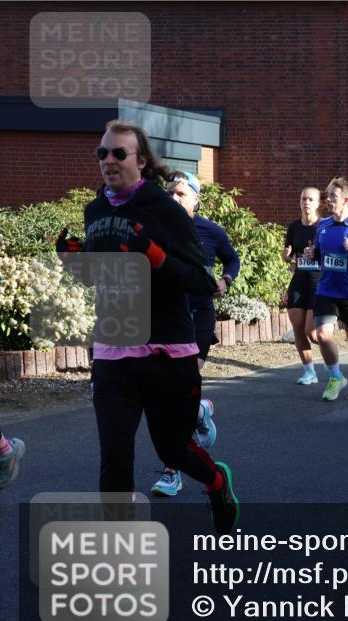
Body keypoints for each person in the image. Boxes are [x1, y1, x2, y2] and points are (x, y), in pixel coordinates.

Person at [59, 119, 238, 533]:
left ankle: (216, 483)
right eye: (101, 153)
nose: (108, 160)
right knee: (115, 457)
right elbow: (101, 279)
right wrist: (77, 261)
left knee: (173, 450)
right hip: (113, 352)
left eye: (118, 153)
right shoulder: (95, 211)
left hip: (166, 353)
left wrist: (155, 256)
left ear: (140, 161)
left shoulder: (166, 211)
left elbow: (202, 281)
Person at [151, 171, 241, 498]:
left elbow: (232, 259)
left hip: (198, 315)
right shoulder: (155, 230)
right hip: (165, 321)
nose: (173, 200)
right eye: (169, 194)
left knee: (175, 395)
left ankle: (173, 472)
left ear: (196, 199)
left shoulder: (211, 232)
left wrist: (225, 280)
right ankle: (199, 411)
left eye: (180, 194)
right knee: (168, 395)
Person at [304, 178, 348, 401]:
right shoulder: (323, 225)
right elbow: (319, 254)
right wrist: (311, 255)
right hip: (326, 289)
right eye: (327, 195)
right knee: (323, 335)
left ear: (345, 199)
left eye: (332, 196)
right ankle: (335, 377)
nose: (328, 200)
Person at [283, 187, 324, 384]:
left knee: (313, 333)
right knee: (298, 328)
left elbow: (332, 255)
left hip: (319, 283)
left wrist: (317, 254)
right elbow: (289, 256)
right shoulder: (294, 227)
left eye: (310, 199)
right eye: (303, 199)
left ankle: (331, 356)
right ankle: (310, 372)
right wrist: (286, 256)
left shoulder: (324, 227)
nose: (306, 202)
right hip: (299, 282)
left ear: (317, 204)